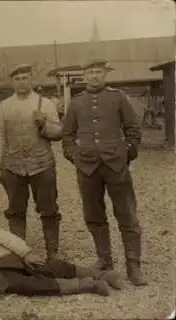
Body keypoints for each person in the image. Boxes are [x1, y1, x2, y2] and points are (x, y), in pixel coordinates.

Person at [61, 58, 147, 286]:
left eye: (98, 72)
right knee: (93, 215)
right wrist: (75, 156)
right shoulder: (77, 102)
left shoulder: (117, 97)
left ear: (105, 74)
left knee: (127, 213)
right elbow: (67, 134)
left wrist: (127, 153)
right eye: (89, 73)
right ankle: (104, 259)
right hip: (88, 168)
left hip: (116, 166)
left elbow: (133, 129)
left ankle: (133, 264)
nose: (93, 76)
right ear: (84, 76)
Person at [0, 64, 63, 261]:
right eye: (17, 79)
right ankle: (18, 251)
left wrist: (44, 124)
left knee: (48, 208)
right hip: (14, 166)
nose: (21, 82)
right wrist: (0, 164)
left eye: (25, 78)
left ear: (31, 79)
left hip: (42, 165)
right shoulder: (5, 105)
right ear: (12, 82)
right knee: (16, 210)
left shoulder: (46, 103)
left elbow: (58, 132)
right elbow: (0, 136)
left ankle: (53, 252)